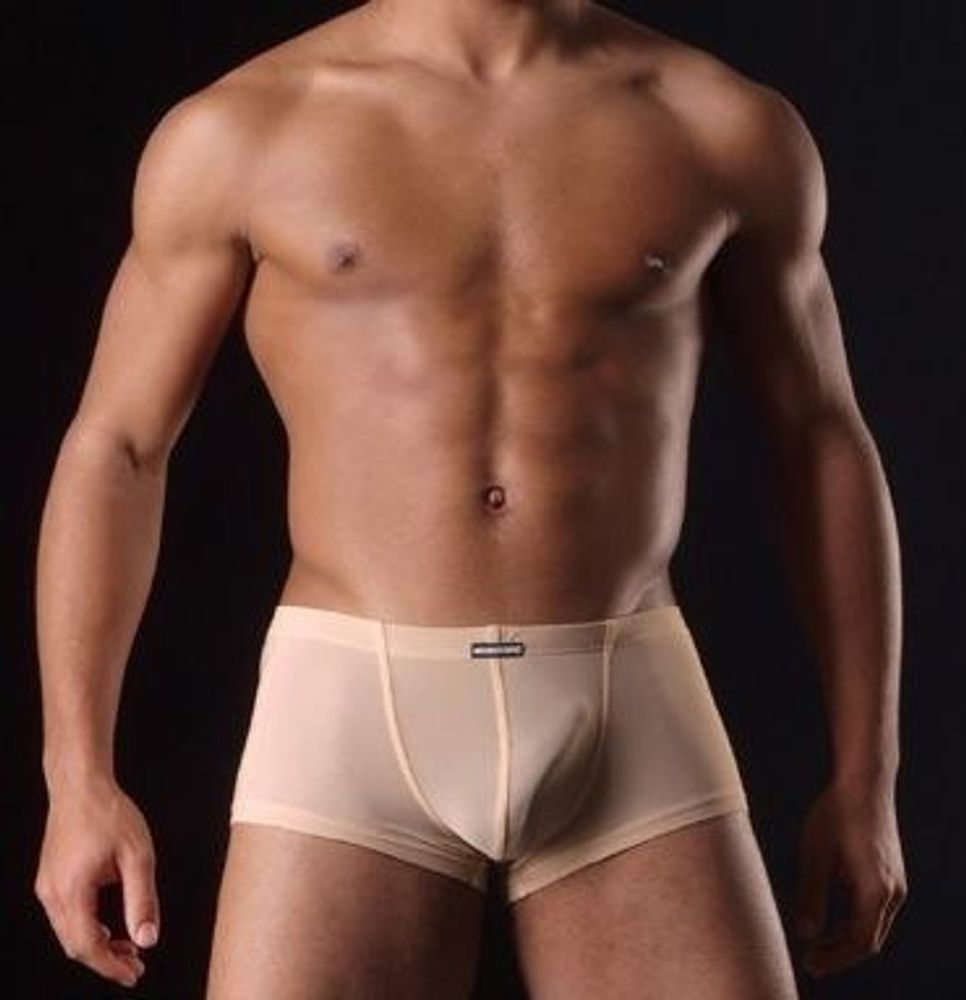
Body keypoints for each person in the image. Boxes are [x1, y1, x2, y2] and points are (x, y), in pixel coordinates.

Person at [32, 1, 908, 996]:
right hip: (351, 705)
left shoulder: (716, 123)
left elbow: (821, 440)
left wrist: (866, 773)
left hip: (625, 694)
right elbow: (118, 446)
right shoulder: (246, 126)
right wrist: (77, 775)